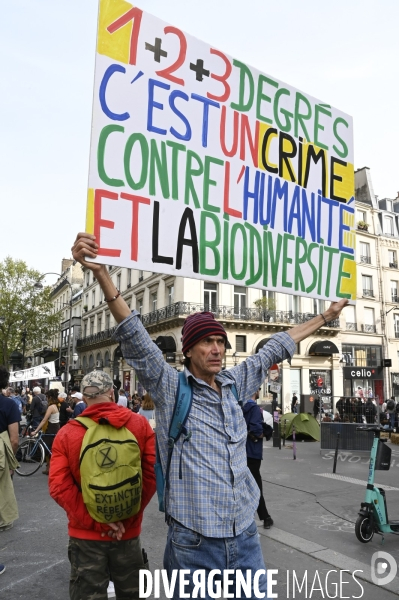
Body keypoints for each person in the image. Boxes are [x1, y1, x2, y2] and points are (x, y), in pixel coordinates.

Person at [72, 231, 348, 598]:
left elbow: (277, 346)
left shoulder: (235, 381)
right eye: (207, 342)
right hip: (193, 546)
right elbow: (135, 333)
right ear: (188, 351)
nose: (217, 349)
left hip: (246, 538)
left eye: (220, 342)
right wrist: (102, 273)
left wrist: (326, 316)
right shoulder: (171, 388)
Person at [49, 370, 156, 599]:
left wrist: (99, 522)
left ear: (84, 399)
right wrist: (128, 515)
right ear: (112, 393)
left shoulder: (67, 433)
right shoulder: (139, 424)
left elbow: (59, 486)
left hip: (85, 536)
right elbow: (151, 474)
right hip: (128, 533)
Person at [243, 389, 273, 529]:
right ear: (255, 390)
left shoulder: (240, 405)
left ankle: (258, 516)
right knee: (255, 486)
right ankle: (265, 517)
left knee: (243, 485)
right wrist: (265, 432)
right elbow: (256, 431)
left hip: (240, 452)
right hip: (252, 453)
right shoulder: (254, 408)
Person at [0, 366, 19, 532]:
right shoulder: (9, 404)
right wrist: (11, 461)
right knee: (3, 486)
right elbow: (14, 439)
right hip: (1, 451)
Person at [30, 389, 60, 474]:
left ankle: (50, 468)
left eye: (47, 397)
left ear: (50, 397)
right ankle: (49, 468)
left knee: (46, 448)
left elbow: (44, 420)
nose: (46, 398)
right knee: (50, 448)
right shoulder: (57, 405)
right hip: (56, 427)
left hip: (51, 428)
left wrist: (35, 431)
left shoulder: (51, 407)